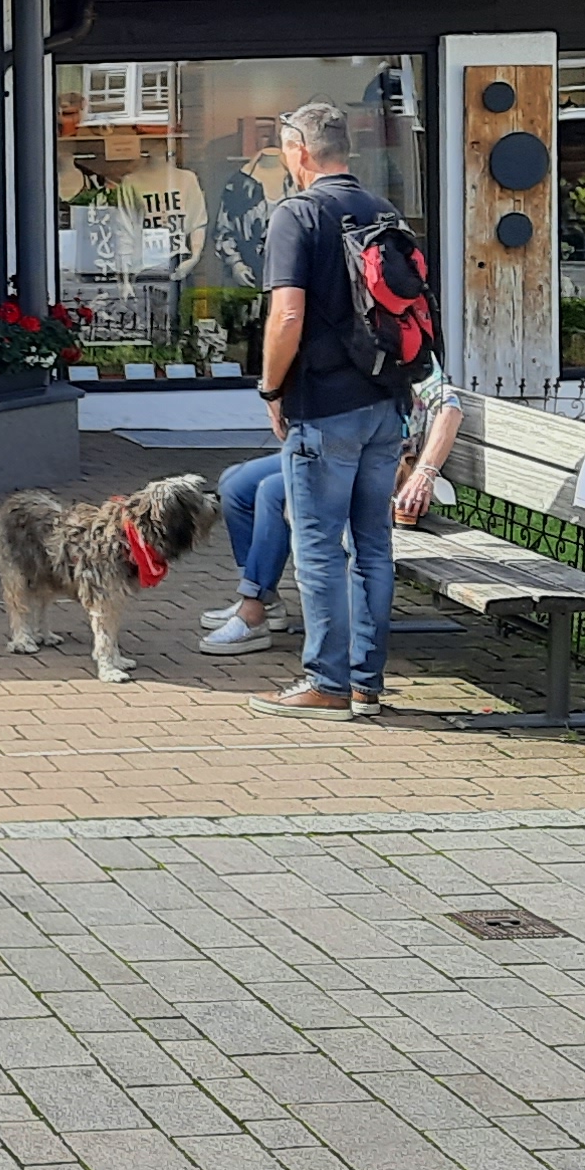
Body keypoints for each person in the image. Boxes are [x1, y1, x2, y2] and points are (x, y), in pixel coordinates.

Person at [248, 102, 412, 720]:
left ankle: (326, 681)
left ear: (300, 151)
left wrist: (271, 389)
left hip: (325, 405)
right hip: (384, 402)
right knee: (372, 545)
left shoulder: (299, 214)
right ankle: (367, 684)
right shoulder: (383, 211)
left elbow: (287, 314)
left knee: (318, 545)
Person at [200, 379, 467, 656]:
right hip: (324, 445)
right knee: (235, 485)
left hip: (373, 461)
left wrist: (425, 472)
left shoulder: (400, 347)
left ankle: (252, 610)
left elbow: (450, 406)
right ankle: (264, 594)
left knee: (273, 492)